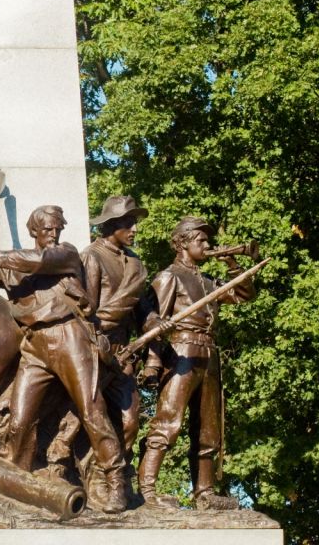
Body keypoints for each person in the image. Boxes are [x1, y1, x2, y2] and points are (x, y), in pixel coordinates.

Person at [0, 205, 129, 513]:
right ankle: (21, 480)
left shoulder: (65, 254)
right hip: (34, 345)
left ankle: (117, 480)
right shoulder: (12, 267)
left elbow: (39, 261)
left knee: (92, 410)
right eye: (48, 228)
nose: (54, 233)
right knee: (20, 418)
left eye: (57, 228)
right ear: (33, 231)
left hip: (70, 337)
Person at [137, 216, 256, 509]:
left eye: (207, 240)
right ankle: (147, 491)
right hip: (181, 351)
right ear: (182, 243)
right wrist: (152, 363)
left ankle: (204, 493)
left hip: (208, 354)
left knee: (209, 429)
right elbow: (154, 324)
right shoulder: (168, 277)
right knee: (168, 421)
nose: (207, 245)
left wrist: (232, 262)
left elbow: (245, 294)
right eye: (200, 240)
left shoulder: (207, 281)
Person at [45, 196, 148, 500]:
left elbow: (140, 310)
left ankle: (117, 476)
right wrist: (95, 339)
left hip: (124, 351)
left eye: (134, 223)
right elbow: (84, 307)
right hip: (96, 347)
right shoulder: (92, 256)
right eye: (128, 223)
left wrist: (156, 320)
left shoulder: (135, 263)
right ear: (113, 226)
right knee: (87, 416)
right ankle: (95, 477)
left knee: (130, 420)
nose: (134, 229)